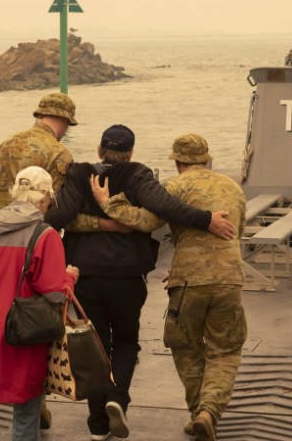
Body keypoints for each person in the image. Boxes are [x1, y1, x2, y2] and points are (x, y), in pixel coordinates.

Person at [44, 125, 236, 441]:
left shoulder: (79, 174)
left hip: (84, 275)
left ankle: (97, 425)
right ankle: (116, 400)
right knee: (125, 342)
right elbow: (164, 206)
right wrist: (206, 219)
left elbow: (56, 217)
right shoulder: (136, 174)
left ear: (98, 150)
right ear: (130, 153)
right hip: (126, 276)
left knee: (96, 347)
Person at [95, 134, 247, 441]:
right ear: (206, 159)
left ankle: (198, 412)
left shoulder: (174, 187)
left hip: (187, 280)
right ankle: (209, 412)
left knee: (185, 346)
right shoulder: (233, 187)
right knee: (225, 349)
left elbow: (144, 221)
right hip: (229, 276)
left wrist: (107, 202)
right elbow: (236, 233)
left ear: (177, 162)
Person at [0, 166, 79, 441]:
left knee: (25, 405)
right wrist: (70, 277)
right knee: (26, 414)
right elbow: (55, 294)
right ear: (44, 199)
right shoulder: (45, 235)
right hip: (25, 333)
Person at [0, 92, 78, 231]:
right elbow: (55, 211)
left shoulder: (8, 144)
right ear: (66, 121)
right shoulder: (59, 154)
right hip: (33, 242)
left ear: (41, 116)